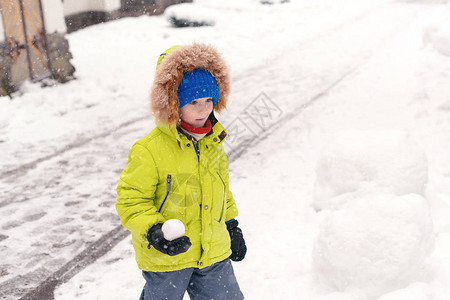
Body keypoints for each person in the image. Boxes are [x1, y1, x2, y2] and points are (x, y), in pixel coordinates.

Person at [116, 43, 247, 300]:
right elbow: (131, 201)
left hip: (212, 253)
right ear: (173, 104)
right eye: (193, 101)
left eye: (209, 100)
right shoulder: (148, 149)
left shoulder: (213, 143)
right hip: (168, 257)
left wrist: (231, 225)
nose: (203, 109)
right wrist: (154, 232)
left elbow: (222, 191)